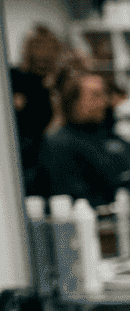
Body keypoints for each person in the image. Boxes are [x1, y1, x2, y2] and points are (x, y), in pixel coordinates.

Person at [33, 67, 130, 205]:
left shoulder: (106, 135)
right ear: (74, 102)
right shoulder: (58, 145)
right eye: (96, 95)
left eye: (104, 94)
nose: (104, 102)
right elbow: (74, 198)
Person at [11, 25, 66, 194]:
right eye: (37, 46)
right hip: (29, 157)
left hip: (61, 152)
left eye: (49, 47)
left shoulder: (62, 80)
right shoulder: (14, 79)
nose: (43, 53)